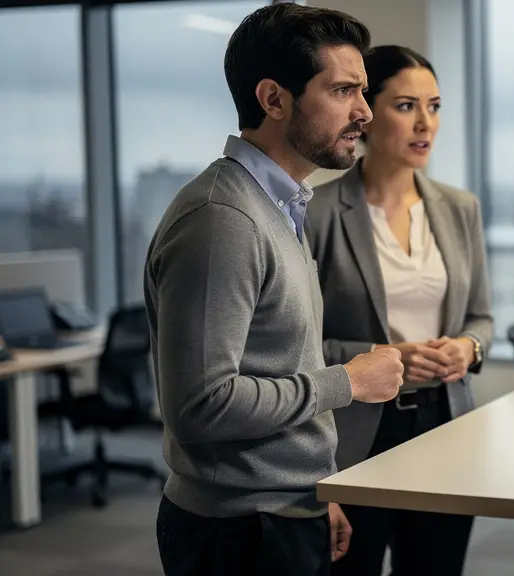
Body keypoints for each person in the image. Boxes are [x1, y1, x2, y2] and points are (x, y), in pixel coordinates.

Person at [144, 5, 405, 576]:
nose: (364, 112)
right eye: (342, 91)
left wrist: (315, 491)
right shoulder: (223, 220)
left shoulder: (278, 206)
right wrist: (351, 382)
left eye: (363, 91)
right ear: (273, 99)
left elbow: (279, 361)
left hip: (280, 512)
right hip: (239, 532)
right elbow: (201, 407)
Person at [304, 45, 494, 576]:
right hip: (355, 432)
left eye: (434, 106)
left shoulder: (460, 209)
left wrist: (467, 348)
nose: (424, 123)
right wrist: (382, 360)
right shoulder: (316, 213)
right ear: (365, 110)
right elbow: (294, 346)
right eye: (406, 105)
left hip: (445, 424)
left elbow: (482, 318)